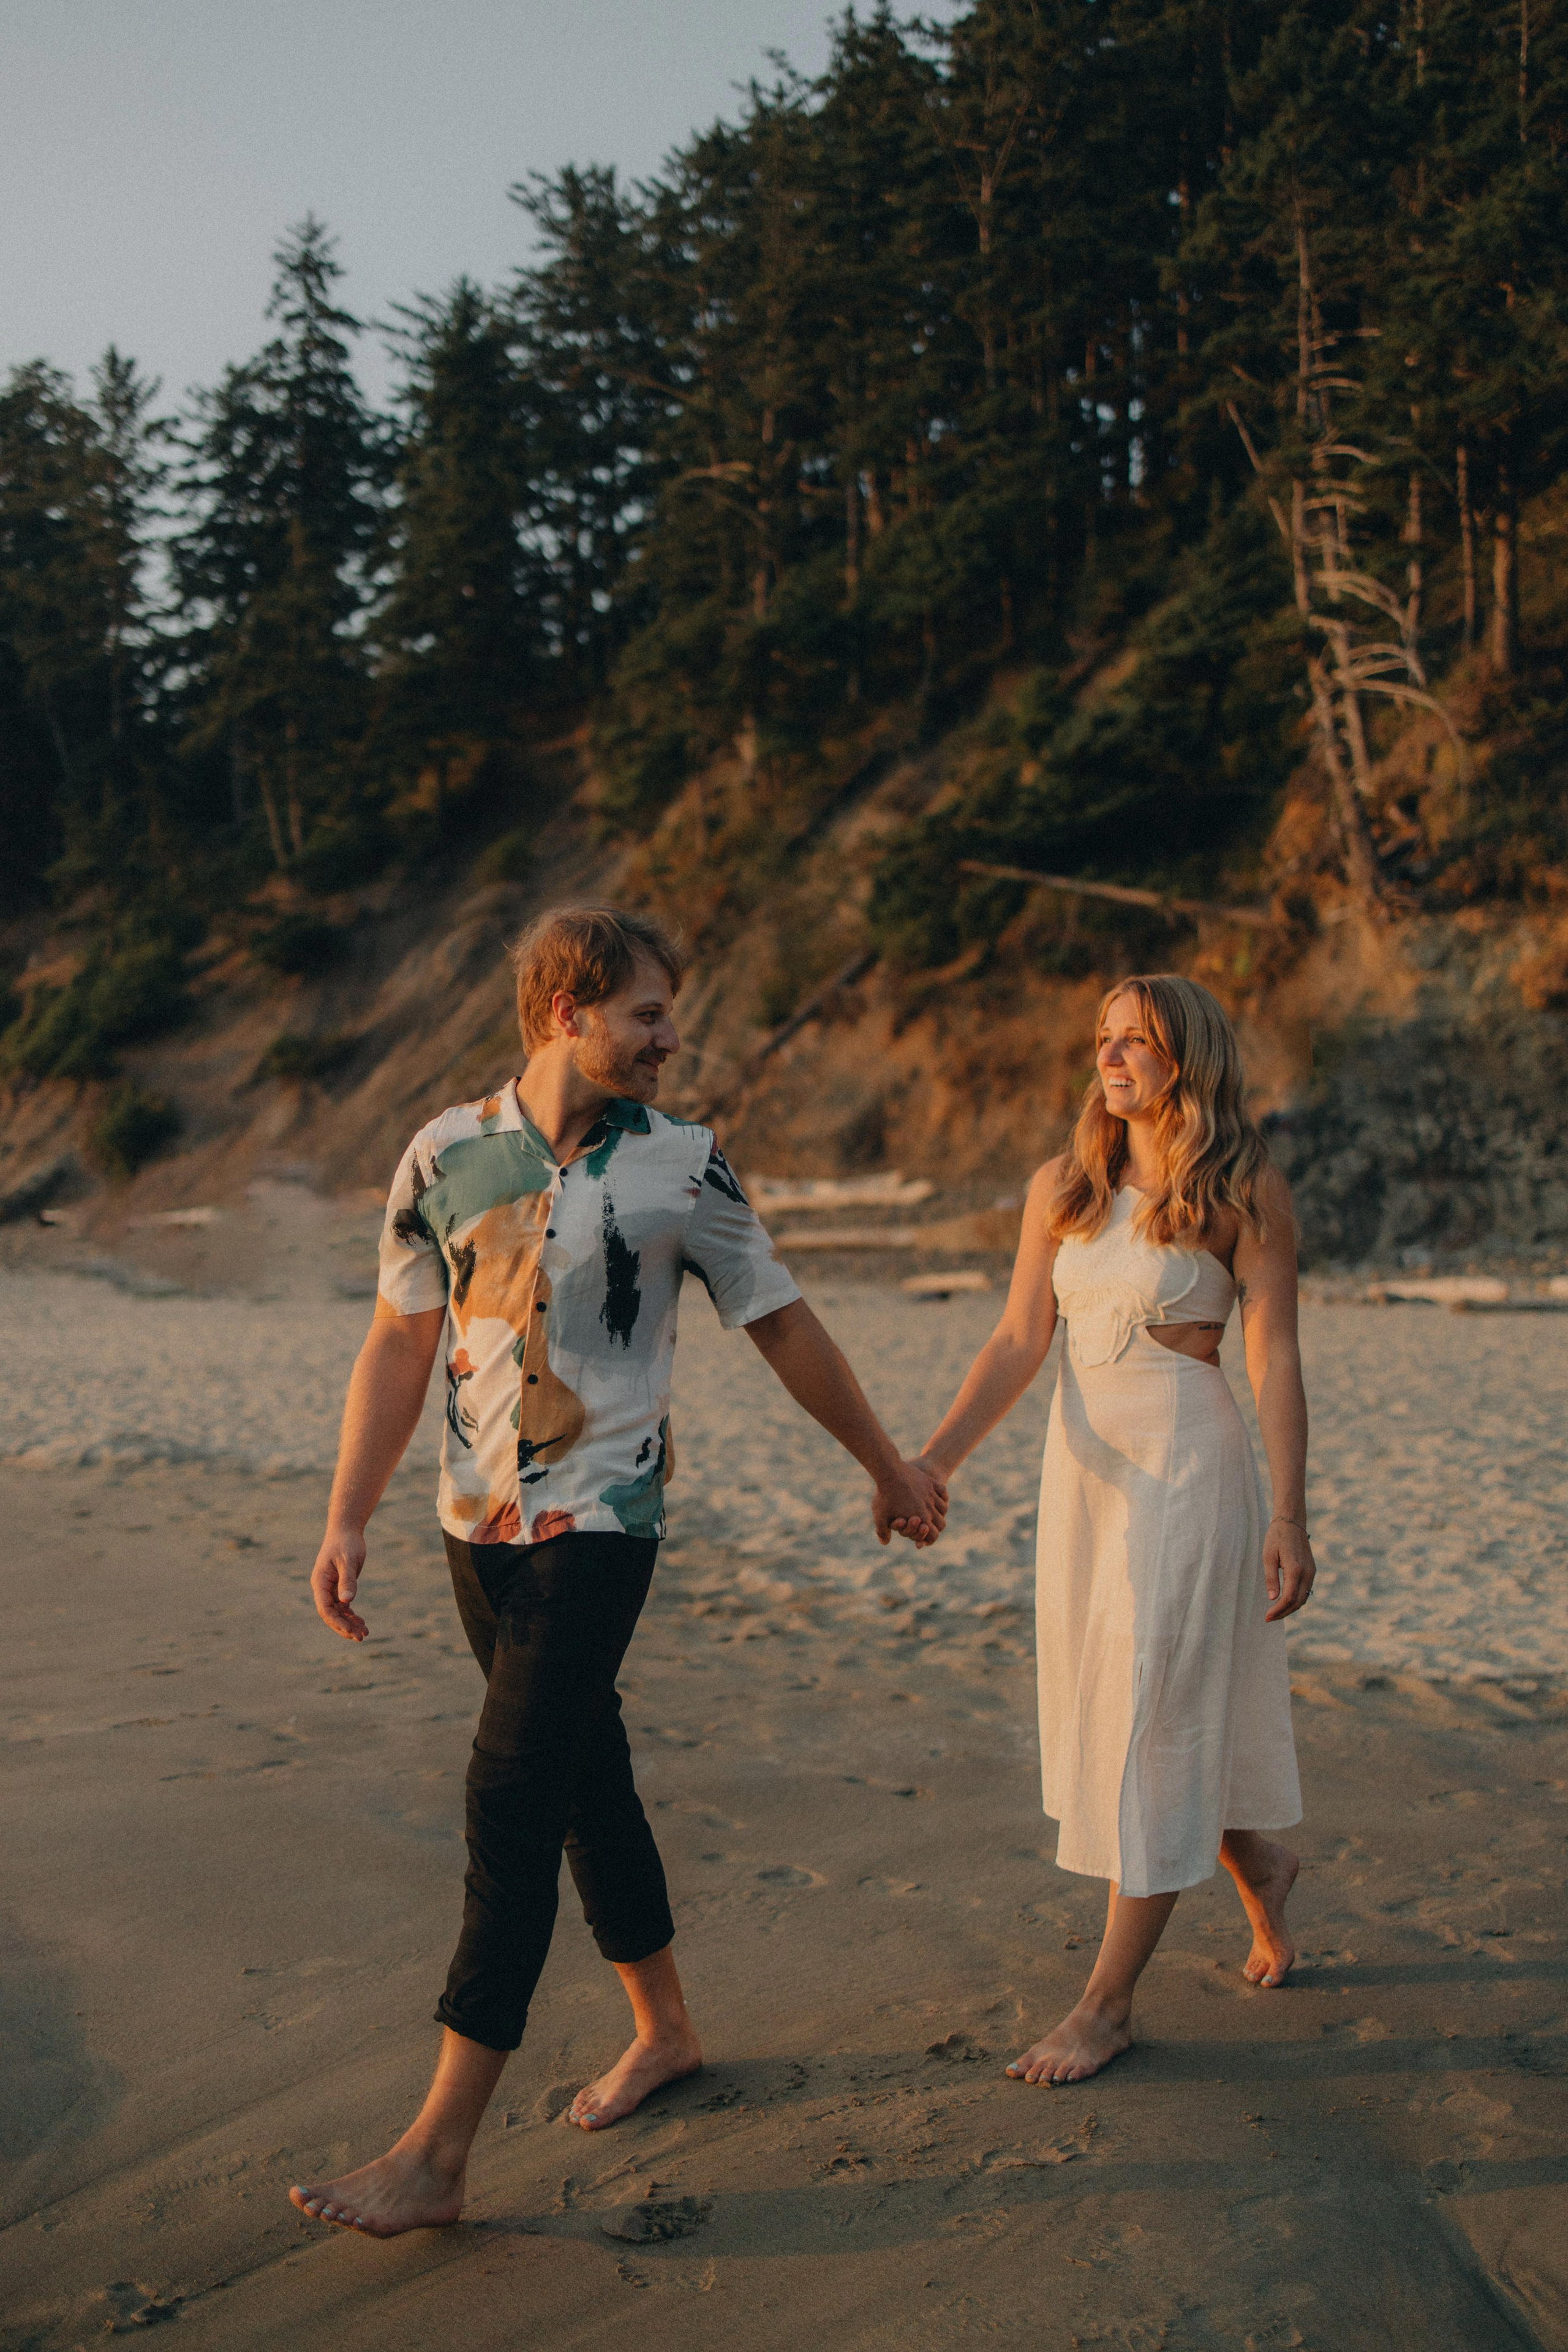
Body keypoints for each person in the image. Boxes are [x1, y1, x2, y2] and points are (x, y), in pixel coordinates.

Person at [288, 904, 946, 2237]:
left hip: (604, 1522)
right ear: (562, 1015)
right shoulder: (440, 1156)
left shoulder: (682, 1166)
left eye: (668, 1016)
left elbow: (779, 1318)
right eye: (647, 1014)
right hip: (472, 1526)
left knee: (510, 1796)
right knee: (589, 1775)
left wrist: (885, 1462)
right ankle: (665, 2030)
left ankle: (437, 2151)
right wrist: (346, 1515)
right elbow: (399, 1349)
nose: (669, 1038)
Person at [913, 973, 1311, 2086]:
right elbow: (1013, 1342)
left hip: (1192, 1465)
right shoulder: (1064, 1187)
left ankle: (1107, 2003)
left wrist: (1289, 1511)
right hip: (1085, 1477)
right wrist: (933, 1463)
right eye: (1103, 1038)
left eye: (1137, 1040)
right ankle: (1259, 1863)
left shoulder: (1243, 1189)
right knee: (1135, 1702)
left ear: (1187, 1057)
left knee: (1152, 1715)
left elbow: (1276, 1356)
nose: (1113, 1056)